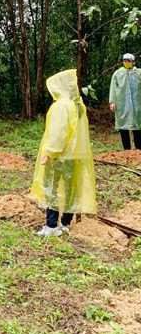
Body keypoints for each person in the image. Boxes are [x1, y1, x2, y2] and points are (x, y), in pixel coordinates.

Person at [29, 69, 96, 237]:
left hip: (61, 155)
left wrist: (49, 152)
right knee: (70, 189)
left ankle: (51, 226)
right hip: (76, 155)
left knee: (52, 187)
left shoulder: (60, 106)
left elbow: (58, 132)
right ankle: (65, 223)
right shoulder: (78, 104)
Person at [109, 53, 141, 151]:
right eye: (125, 61)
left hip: (137, 103)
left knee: (138, 125)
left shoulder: (139, 73)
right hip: (122, 103)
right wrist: (112, 101)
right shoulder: (118, 74)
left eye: (129, 61)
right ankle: (126, 149)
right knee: (123, 126)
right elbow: (113, 88)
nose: (127, 63)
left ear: (133, 62)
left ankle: (138, 149)